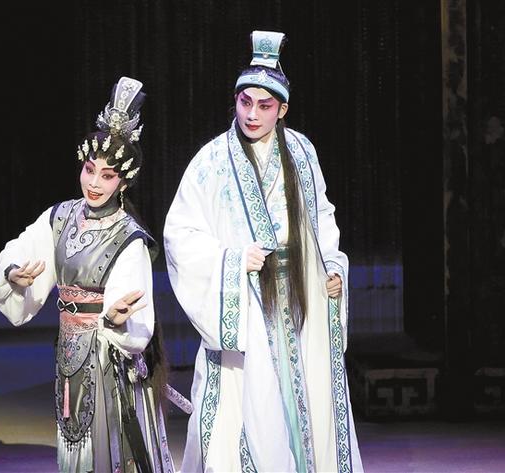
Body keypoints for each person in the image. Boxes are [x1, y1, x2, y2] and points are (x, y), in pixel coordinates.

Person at [163, 31, 364, 472]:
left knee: (306, 405)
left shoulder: (302, 152)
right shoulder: (212, 160)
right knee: (245, 412)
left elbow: (321, 217)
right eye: (244, 102)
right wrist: (233, 261)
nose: (252, 114)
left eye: (264, 105)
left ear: (282, 109)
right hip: (246, 301)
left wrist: (331, 266)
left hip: (299, 297)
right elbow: (180, 233)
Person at [0, 76, 175, 473]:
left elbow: (135, 316)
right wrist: (13, 274)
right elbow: (19, 249)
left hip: (110, 361)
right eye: (90, 169)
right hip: (68, 352)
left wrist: (116, 321)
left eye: (107, 175)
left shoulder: (129, 238)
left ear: (123, 181)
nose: (94, 182)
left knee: (111, 449)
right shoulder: (60, 216)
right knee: (74, 443)